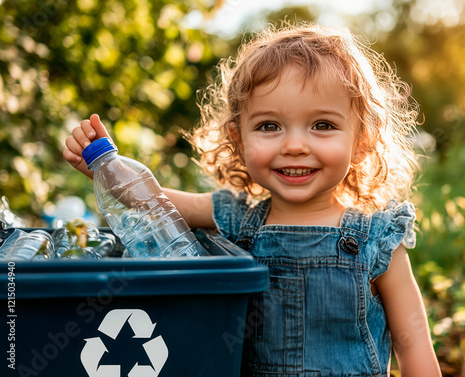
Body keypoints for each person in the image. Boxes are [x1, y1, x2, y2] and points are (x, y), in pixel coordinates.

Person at [64, 22, 441, 377]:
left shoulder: (377, 239)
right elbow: (155, 201)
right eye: (269, 126)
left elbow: (413, 345)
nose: (294, 145)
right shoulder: (236, 217)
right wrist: (105, 167)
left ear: (361, 142)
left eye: (322, 125)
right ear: (239, 139)